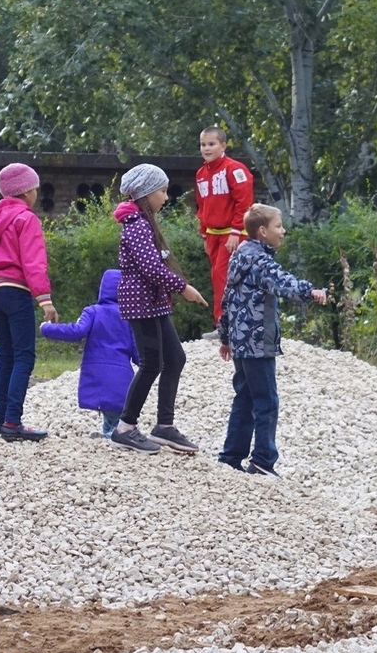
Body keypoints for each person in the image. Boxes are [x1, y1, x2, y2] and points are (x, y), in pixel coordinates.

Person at [216, 203, 327, 476]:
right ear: (263, 231)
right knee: (267, 401)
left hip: (241, 343)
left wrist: (225, 336)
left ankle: (231, 456)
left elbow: (228, 298)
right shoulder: (261, 261)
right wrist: (309, 291)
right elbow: (282, 282)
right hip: (258, 341)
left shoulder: (239, 256)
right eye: (279, 226)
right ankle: (263, 460)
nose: (283, 231)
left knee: (244, 398)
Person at [111, 163, 209, 454]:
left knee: (175, 358)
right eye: (163, 191)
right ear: (146, 193)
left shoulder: (144, 221)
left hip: (152, 303)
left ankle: (164, 427)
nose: (166, 198)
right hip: (140, 302)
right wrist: (184, 288)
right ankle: (125, 427)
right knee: (152, 363)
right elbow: (152, 269)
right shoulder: (138, 225)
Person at [0, 163, 59, 442]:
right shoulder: (27, 220)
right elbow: (33, 261)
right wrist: (45, 299)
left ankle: (0, 418)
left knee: (6, 356)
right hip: (17, 292)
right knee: (24, 356)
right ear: (27, 191)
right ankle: (13, 422)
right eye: (36, 188)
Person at [40, 269, 140, 438]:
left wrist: (47, 328)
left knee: (110, 412)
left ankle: (110, 435)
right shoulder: (130, 317)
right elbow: (137, 352)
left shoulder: (93, 311)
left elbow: (76, 331)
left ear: (103, 289)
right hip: (122, 376)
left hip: (97, 373)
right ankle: (112, 434)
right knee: (116, 411)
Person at [195, 126, 255, 327]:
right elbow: (202, 205)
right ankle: (225, 323)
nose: (206, 148)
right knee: (217, 276)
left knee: (223, 275)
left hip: (233, 233)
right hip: (213, 234)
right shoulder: (201, 173)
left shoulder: (235, 169)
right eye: (203, 144)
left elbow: (244, 201)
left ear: (223, 145)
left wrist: (236, 231)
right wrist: (204, 234)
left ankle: (225, 324)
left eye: (211, 144)